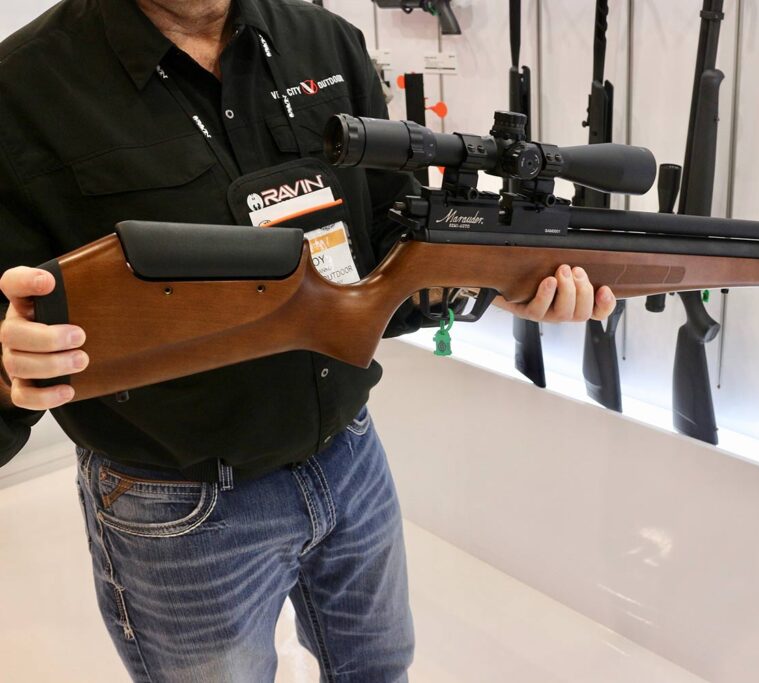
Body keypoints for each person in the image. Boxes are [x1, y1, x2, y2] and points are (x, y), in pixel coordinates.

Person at [0, 0, 617, 680]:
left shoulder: (326, 41)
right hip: (178, 503)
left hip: (350, 456)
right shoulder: (22, 87)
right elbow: (12, 322)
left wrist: (498, 279)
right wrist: (10, 364)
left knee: (381, 668)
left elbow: (384, 250)